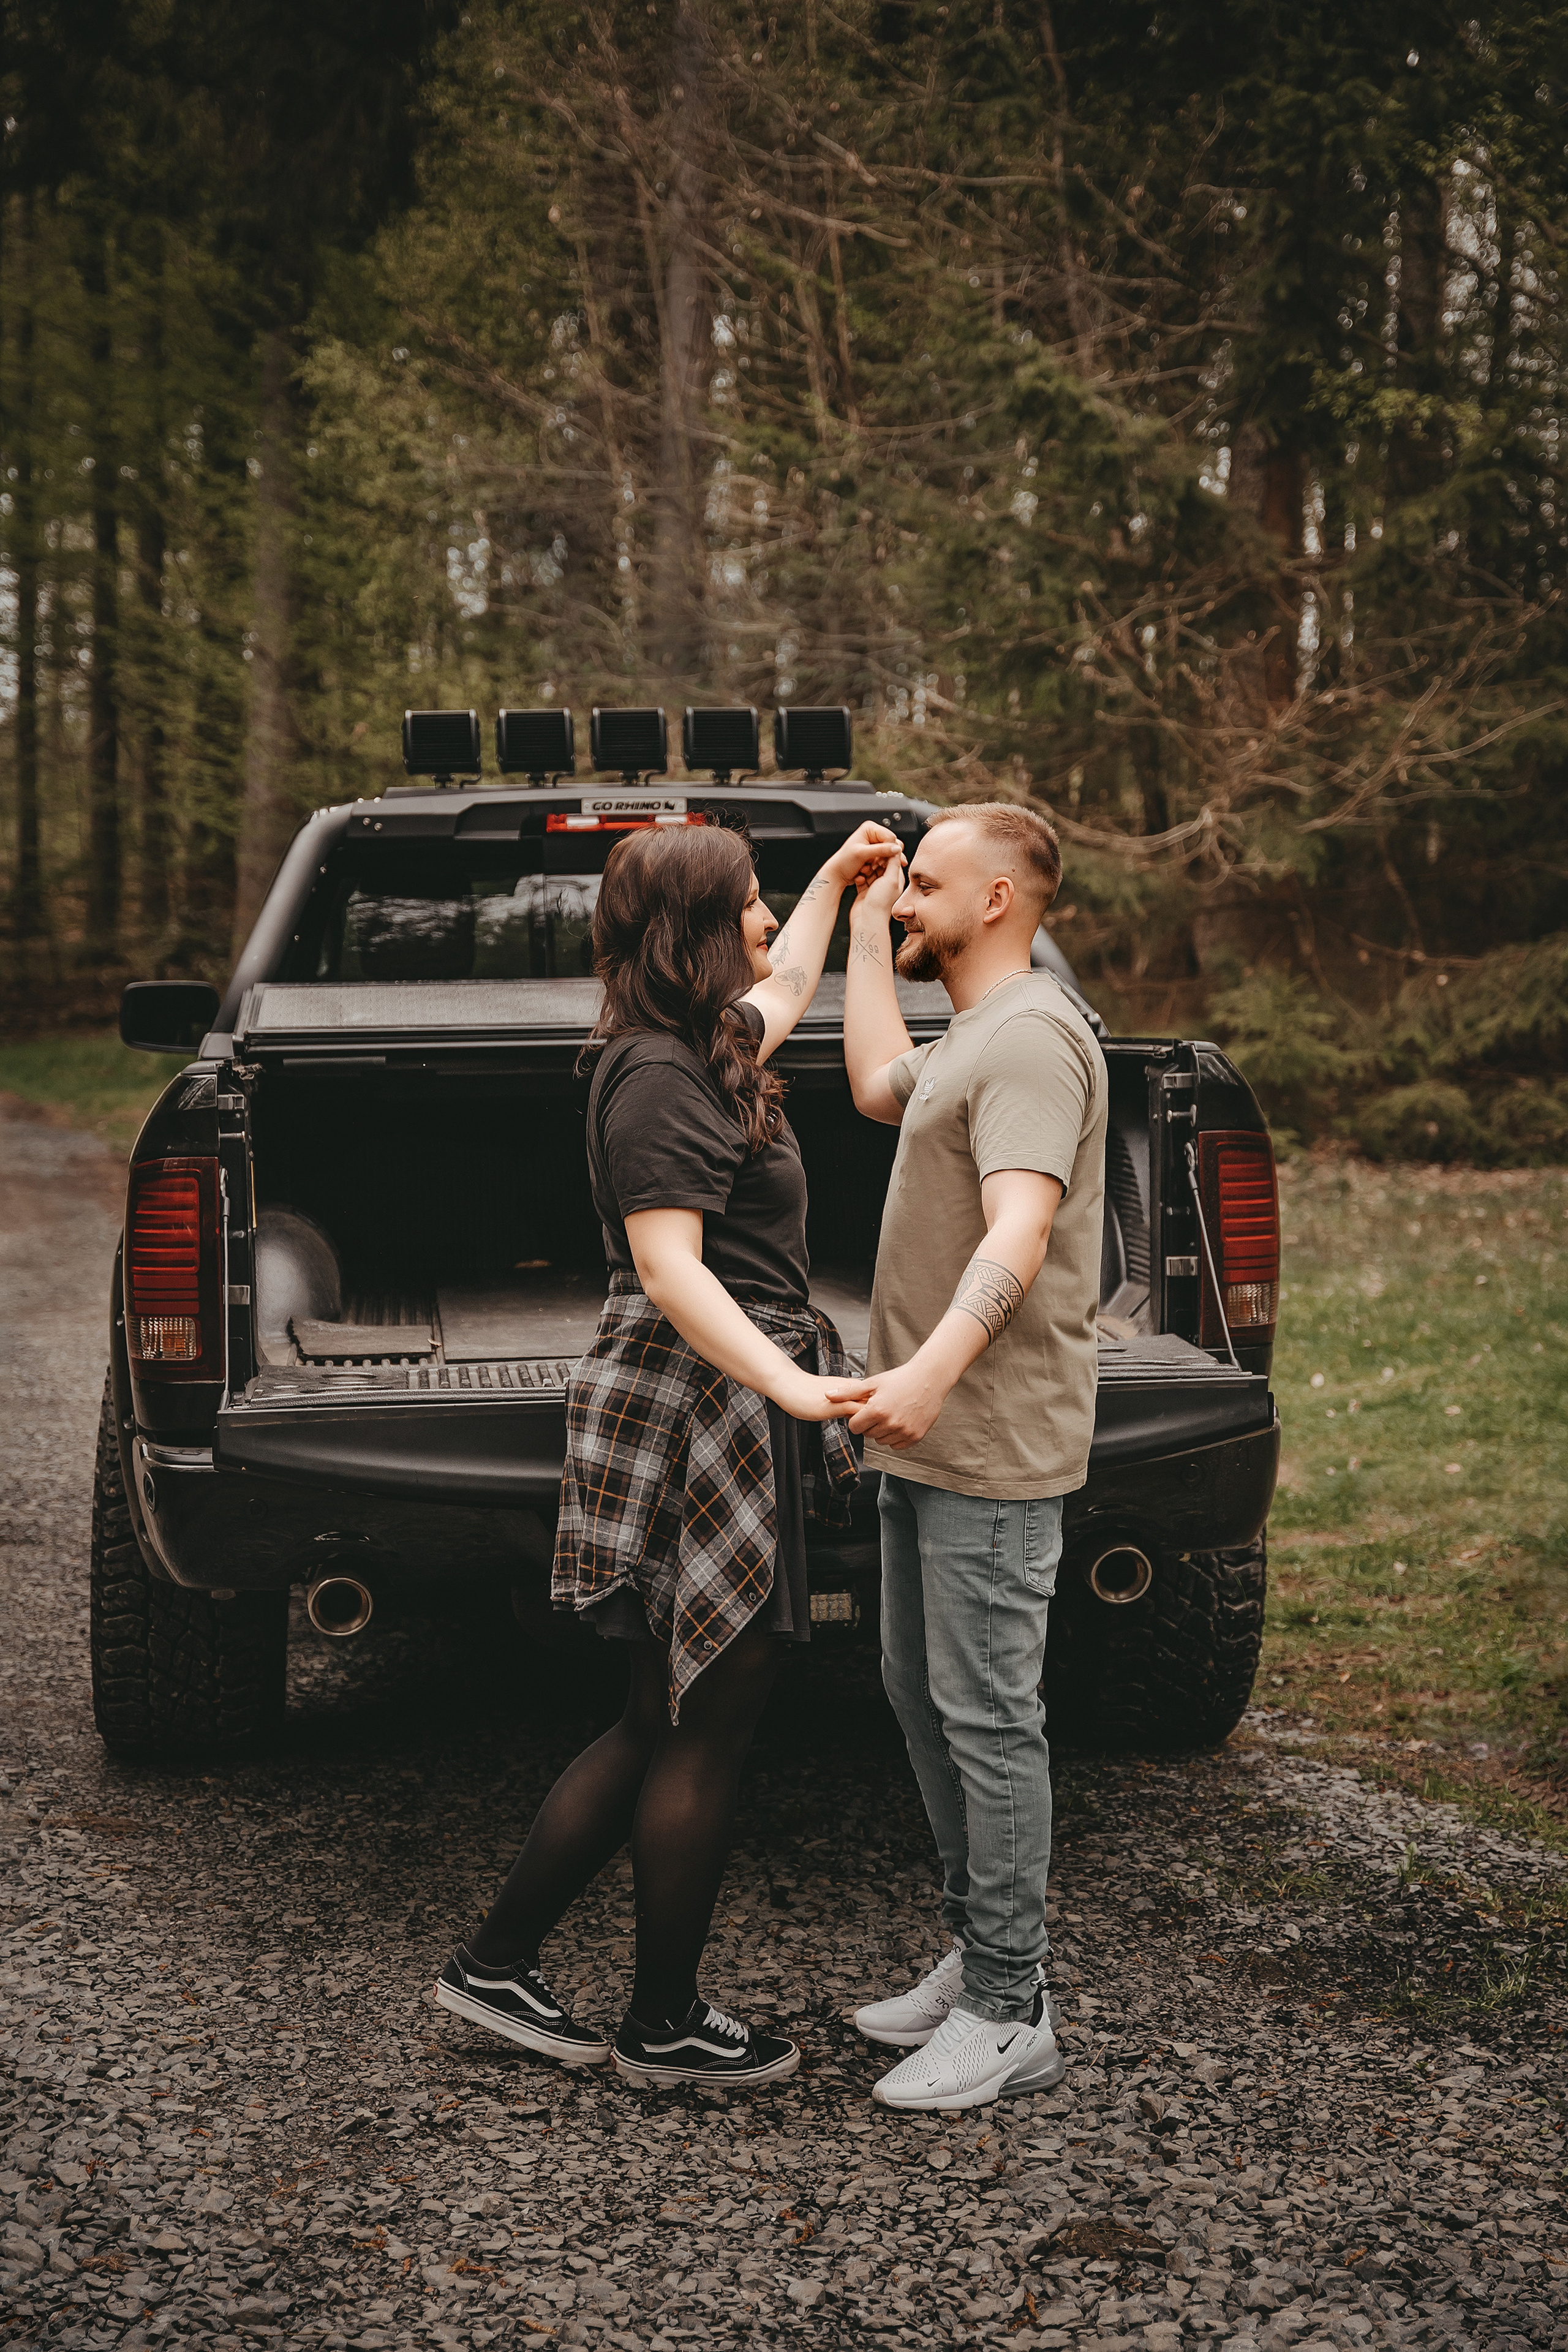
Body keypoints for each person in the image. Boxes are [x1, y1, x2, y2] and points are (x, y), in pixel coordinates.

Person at [435, 818, 895, 2090]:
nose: (766, 920)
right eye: (749, 902)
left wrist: (836, 883)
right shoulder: (656, 1075)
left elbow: (786, 987)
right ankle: (663, 2023)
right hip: (697, 1397)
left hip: (717, 1389)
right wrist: (792, 1387)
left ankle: (498, 1968)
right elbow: (668, 1268)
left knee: (665, 1713)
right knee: (703, 1719)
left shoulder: (703, 1042)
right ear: (694, 932)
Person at [828, 802, 1107, 2113]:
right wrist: (861, 927)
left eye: (925, 884)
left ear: (998, 899)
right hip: (926, 1434)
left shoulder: (1036, 1039)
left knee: (988, 1717)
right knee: (918, 1692)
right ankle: (981, 1953)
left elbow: (1020, 1228)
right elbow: (873, 1083)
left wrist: (930, 1372)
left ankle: (1009, 2009)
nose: (906, 899)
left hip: (986, 1435)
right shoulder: (972, 1033)